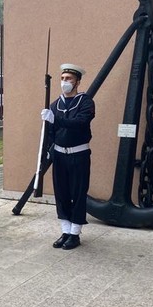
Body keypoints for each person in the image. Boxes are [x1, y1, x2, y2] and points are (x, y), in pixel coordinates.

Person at [40, 63, 95, 250]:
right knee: (61, 193)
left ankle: (75, 233)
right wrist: (49, 149)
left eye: (69, 79)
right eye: (62, 79)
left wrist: (56, 119)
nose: (65, 82)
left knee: (78, 193)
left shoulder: (85, 102)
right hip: (60, 155)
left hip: (78, 154)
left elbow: (80, 122)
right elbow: (50, 133)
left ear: (77, 82)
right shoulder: (55, 105)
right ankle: (65, 230)